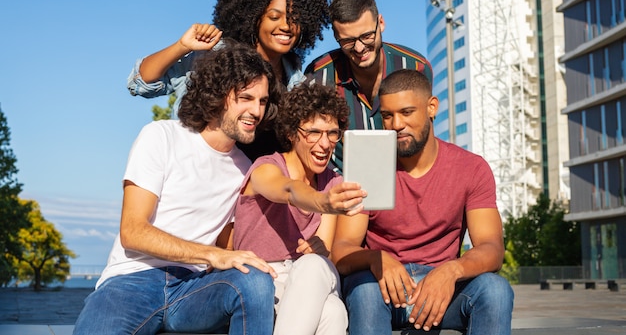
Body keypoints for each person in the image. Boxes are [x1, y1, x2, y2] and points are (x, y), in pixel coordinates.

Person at [73, 40, 282, 335]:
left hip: (193, 289)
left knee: (255, 279)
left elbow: (228, 246)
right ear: (219, 95)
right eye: (246, 98)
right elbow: (132, 231)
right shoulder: (161, 136)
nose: (256, 111)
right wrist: (211, 255)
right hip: (132, 280)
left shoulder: (246, 170)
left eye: (262, 101)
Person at [331, 69, 514, 335]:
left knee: (496, 290)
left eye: (406, 113)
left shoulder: (471, 168)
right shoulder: (369, 165)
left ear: (431, 108)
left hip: (443, 292)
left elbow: (492, 249)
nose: (396, 125)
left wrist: (452, 271)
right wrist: (376, 258)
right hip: (383, 290)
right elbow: (342, 251)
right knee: (364, 290)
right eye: (387, 115)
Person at [232, 83, 366, 335]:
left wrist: (318, 248)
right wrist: (323, 201)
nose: (325, 144)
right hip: (263, 281)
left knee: (313, 265)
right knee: (333, 311)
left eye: (332, 133)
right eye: (313, 132)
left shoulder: (332, 181)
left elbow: (322, 250)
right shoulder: (266, 167)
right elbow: (289, 191)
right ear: (293, 133)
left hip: (309, 276)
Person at [127, 0, 330, 117]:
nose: (286, 26)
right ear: (253, 18)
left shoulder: (297, 81)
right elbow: (142, 83)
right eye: (274, 17)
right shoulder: (215, 56)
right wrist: (182, 46)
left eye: (294, 18)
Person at [304, 0, 432, 172]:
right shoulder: (318, 75)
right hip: (339, 186)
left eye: (366, 36)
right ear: (335, 36)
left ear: (380, 23)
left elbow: (425, 135)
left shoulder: (416, 67)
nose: (359, 48)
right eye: (347, 41)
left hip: (405, 182)